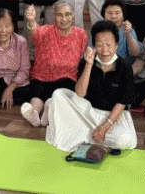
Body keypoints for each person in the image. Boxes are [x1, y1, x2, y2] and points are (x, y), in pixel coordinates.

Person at [46, 20, 137, 152]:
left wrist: (104, 127)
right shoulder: (87, 62)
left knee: (126, 141)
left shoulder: (125, 67)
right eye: (99, 44)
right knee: (58, 94)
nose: (104, 49)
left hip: (113, 117)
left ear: (116, 45)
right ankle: (89, 133)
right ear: (94, 45)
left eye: (108, 44)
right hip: (88, 112)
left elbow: (122, 102)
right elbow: (80, 93)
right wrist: (89, 64)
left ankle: (85, 134)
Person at [21, 0, 88, 127]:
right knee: (38, 93)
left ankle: (50, 112)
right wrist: (31, 20)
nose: (64, 19)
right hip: (42, 76)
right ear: (54, 16)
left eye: (68, 14)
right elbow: (35, 31)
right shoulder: (46, 30)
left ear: (73, 15)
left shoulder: (81, 34)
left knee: (62, 94)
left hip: (67, 77)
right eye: (59, 15)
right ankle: (34, 114)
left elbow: (84, 56)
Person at [100, 0, 141, 66]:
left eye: (117, 13)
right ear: (104, 16)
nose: (113, 16)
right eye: (109, 13)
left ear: (123, 16)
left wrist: (128, 33)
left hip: (124, 66)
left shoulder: (128, 29)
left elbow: (135, 53)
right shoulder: (98, 30)